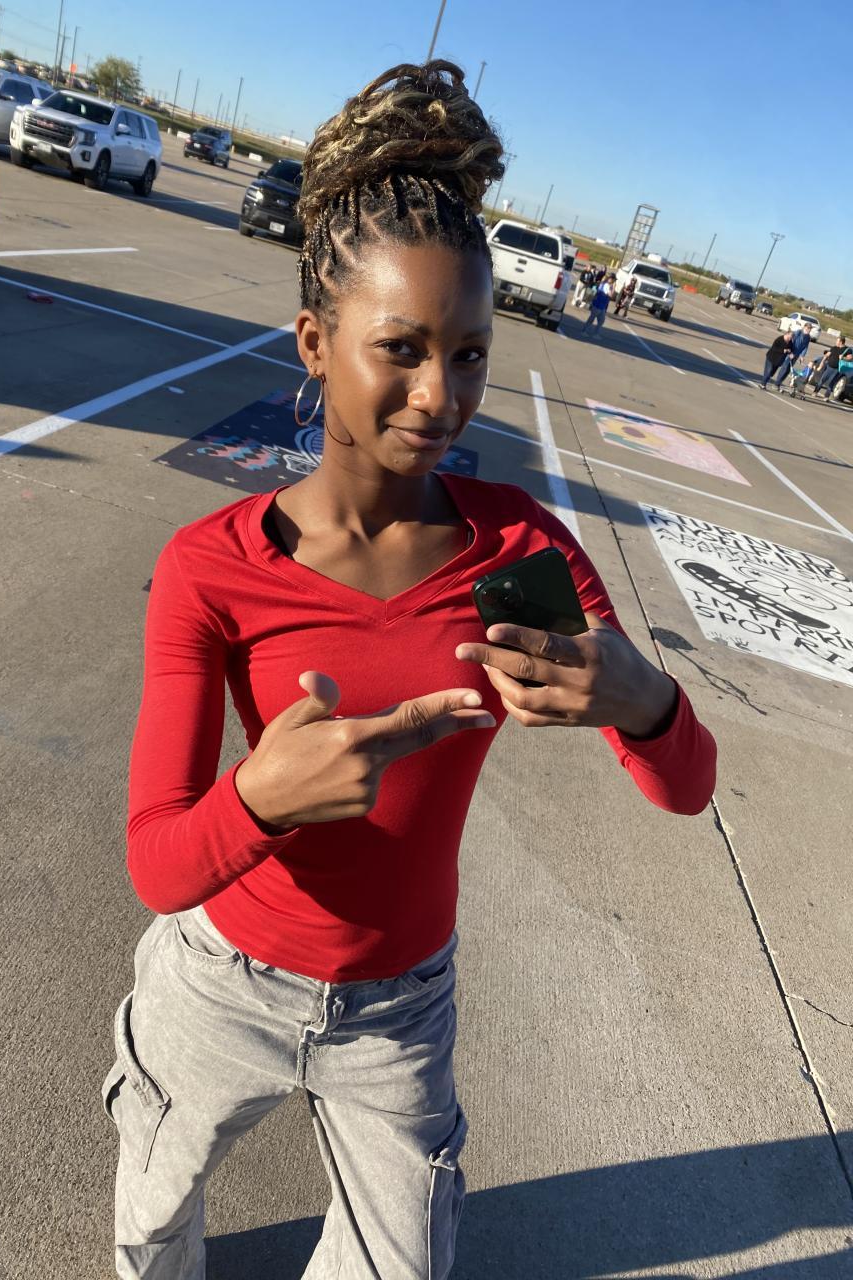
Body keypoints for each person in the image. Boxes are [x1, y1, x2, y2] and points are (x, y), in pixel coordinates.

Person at [103, 60, 717, 1280]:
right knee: (151, 1226)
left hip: (398, 1009)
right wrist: (260, 797)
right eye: (402, 348)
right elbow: (158, 860)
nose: (442, 395)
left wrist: (645, 699)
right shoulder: (213, 567)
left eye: (472, 354)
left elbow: (686, 784)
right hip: (219, 982)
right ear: (315, 342)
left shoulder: (520, 550)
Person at [772, 322, 813, 390]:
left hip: (796, 355)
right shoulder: (798, 332)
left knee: (788, 370)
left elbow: (805, 347)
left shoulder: (808, 337)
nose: (809, 330)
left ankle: (779, 383)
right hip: (790, 354)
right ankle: (776, 383)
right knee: (784, 368)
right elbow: (790, 341)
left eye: (810, 329)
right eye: (808, 328)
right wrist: (790, 352)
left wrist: (802, 356)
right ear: (804, 327)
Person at [582, 270, 613, 336]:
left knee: (601, 320)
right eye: (613, 279)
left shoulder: (603, 284)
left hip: (601, 306)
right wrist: (613, 287)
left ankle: (595, 333)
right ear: (609, 279)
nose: (614, 281)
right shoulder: (607, 285)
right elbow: (610, 295)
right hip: (598, 305)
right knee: (592, 319)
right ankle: (585, 330)